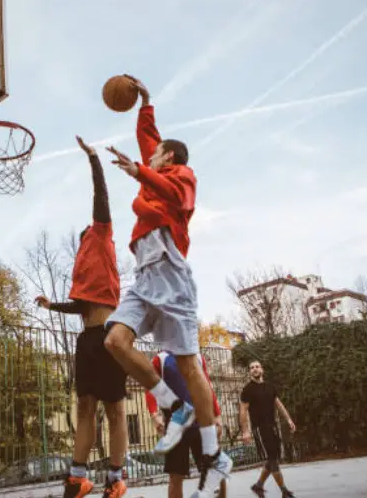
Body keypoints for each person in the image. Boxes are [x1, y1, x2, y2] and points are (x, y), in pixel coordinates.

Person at [104, 75, 232, 498]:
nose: (148, 154)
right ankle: (175, 407)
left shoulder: (183, 175)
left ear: (169, 157)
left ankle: (215, 457)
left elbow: (175, 194)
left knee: (190, 364)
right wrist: (146, 101)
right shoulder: (153, 167)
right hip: (143, 277)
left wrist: (138, 170)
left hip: (171, 272)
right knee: (115, 341)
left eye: (155, 154)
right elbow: (148, 137)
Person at [34, 136, 128, 498]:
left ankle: (116, 477)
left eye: (87, 230)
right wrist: (51, 306)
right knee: (85, 407)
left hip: (108, 335)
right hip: (86, 338)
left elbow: (99, 198)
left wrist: (93, 159)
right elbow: (82, 306)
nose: (85, 233)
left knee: (116, 411)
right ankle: (78, 477)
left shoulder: (103, 234)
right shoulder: (84, 262)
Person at [145, 351, 226, 498]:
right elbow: (150, 386)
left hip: (201, 418)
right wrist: (154, 414)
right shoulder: (161, 358)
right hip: (175, 421)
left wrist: (217, 414)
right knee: (176, 476)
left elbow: (207, 385)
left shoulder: (198, 357)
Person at [239, 360, 296, 498]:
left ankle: (258, 486)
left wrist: (288, 419)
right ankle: (284, 491)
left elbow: (279, 405)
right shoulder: (247, 390)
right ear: (249, 372)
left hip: (273, 426)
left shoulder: (270, 387)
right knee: (273, 459)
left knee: (273, 458)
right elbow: (243, 411)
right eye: (252, 368)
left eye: (257, 367)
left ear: (262, 370)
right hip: (259, 428)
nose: (255, 369)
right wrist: (246, 431)